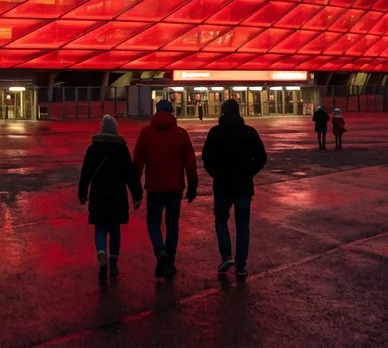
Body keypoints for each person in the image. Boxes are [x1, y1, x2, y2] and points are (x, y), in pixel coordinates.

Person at [200, 99, 267, 280]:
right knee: (243, 226)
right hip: (244, 186)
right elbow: (261, 158)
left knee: (221, 220)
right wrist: (249, 173)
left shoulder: (216, 132)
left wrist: (216, 174)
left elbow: (206, 158)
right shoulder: (249, 132)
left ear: (223, 112)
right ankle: (241, 266)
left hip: (222, 185)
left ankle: (226, 256)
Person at [132, 99, 198, 278]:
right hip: (175, 187)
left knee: (153, 222)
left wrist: (135, 185)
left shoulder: (146, 133)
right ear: (171, 112)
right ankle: (170, 258)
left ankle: (160, 251)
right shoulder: (181, 133)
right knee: (172, 225)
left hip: (154, 187)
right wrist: (192, 185)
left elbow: (138, 161)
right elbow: (190, 163)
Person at [78, 115, 142, 282]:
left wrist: (82, 194)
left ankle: (101, 252)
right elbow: (130, 175)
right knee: (115, 229)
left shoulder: (92, 149)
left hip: (98, 195)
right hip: (117, 195)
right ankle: (113, 263)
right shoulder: (121, 150)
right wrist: (137, 195)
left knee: (100, 227)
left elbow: (85, 174)